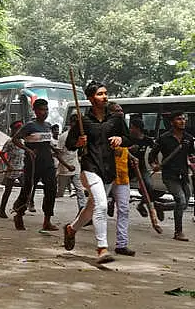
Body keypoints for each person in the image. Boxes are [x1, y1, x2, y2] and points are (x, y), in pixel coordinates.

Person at [63, 81, 131, 264]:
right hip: (89, 167)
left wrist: (120, 138)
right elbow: (69, 145)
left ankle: (71, 229)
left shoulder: (116, 119)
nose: (105, 97)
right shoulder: (82, 121)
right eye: (100, 94)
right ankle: (102, 248)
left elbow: (129, 138)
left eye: (105, 93)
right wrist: (79, 142)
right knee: (101, 205)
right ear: (90, 98)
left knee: (92, 205)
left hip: (109, 168)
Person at [11, 99, 58, 231]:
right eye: (42, 110)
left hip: (47, 162)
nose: (44, 112)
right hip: (33, 163)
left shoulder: (48, 126)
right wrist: (28, 150)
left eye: (46, 110)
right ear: (35, 111)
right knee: (28, 189)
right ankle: (19, 213)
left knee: (51, 189)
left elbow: (47, 143)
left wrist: (56, 152)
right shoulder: (30, 126)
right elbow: (15, 139)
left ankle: (47, 220)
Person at [149, 111, 195, 241]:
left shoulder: (189, 138)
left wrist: (192, 163)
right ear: (172, 122)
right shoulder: (164, 138)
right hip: (170, 175)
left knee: (185, 203)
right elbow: (152, 156)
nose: (182, 121)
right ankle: (178, 232)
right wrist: (154, 165)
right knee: (180, 200)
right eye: (179, 119)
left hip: (184, 175)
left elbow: (191, 156)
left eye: (183, 119)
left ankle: (162, 206)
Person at [107, 102, 135, 256]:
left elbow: (124, 148)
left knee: (124, 209)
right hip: (107, 174)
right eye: (117, 111)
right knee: (97, 207)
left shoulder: (123, 133)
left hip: (123, 175)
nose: (121, 113)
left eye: (121, 110)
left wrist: (131, 156)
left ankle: (121, 244)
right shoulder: (105, 130)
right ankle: (73, 228)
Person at [128, 118, 167, 221]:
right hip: (127, 168)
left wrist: (155, 163)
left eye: (132, 127)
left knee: (149, 186)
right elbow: (120, 150)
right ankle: (112, 202)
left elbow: (155, 151)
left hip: (141, 168)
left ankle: (141, 204)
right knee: (120, 189)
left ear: (138, 128)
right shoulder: (127, 139)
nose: (130, 129)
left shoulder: (147, 140)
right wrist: (129, 149)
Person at [56, 114, 86, 210]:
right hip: (65, 169)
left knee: (79, 189)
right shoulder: (63, 137)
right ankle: (48, 205)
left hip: (76, 167)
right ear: (72, 123)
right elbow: (58, 154)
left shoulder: (79, 136)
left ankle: (82, 209)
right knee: (60, 192)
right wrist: (67, 165)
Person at [0, 120, 25, 219]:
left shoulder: (23, 141)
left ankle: (18, 206)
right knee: (8, 191)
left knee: (26, 188)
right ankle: (1, 209)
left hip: (21, 169)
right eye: (18, 130)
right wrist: (8, 165)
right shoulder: (10, 142)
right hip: (12, 170)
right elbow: (2, 154)